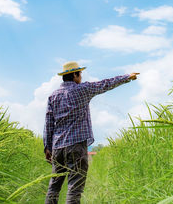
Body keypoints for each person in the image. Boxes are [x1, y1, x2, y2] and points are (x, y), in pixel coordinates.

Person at [43, 61, 139, 203]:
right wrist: (127, 77)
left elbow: (48, 123)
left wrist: (47, 147)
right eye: (80, 74)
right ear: (74, 75)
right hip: (76, 145)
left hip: (57, 147)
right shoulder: (83, 89)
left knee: (54, 188)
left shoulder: (53, 96)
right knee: (74, 188)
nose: (81, 77)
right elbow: (105, 84)